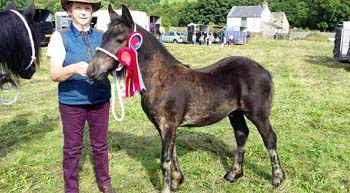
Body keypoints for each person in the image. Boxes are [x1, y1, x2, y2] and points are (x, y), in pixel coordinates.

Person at [46, 0, 116, 193]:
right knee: (72, 148)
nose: (84, 12)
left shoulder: (102, 36)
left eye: (87, 8)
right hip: (72, 102)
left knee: (101, 145)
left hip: (100, 99)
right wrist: (72, 68)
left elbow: (111, 63)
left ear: (92, 12)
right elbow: (54, 74)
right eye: (78, 8)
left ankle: (105, 182)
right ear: (69, 11)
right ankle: (71, 188)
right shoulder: (60, 36)